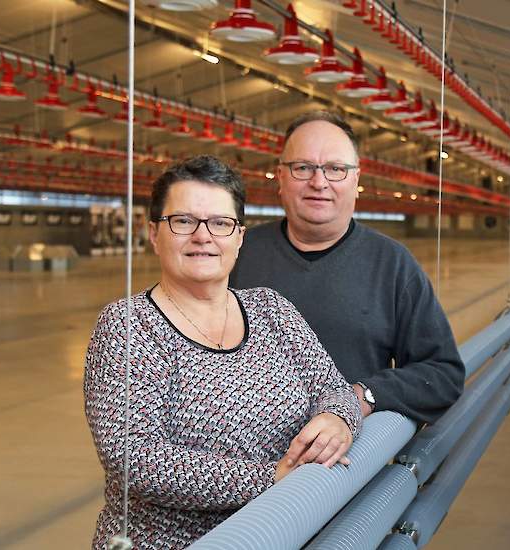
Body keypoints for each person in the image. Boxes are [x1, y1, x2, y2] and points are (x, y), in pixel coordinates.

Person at [84, 155, 362, 550]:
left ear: (239, 237)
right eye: (182, 221)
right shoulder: (129, 326)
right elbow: (136, 458)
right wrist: (273, 478)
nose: (203, 236)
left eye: (220, 223)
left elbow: (332, 388)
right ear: (153, 233)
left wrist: (338, 418)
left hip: (285, 533)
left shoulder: (270, 308)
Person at [230, 111, 464, 425]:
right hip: (240, 456)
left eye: (335, 169)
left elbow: (443, 374)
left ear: (356, 180)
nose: (318, 182)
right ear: (281, 177)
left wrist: (365, 395)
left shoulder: (393, 265)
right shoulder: (236, 252)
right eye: (302, 168)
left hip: (344, 467)